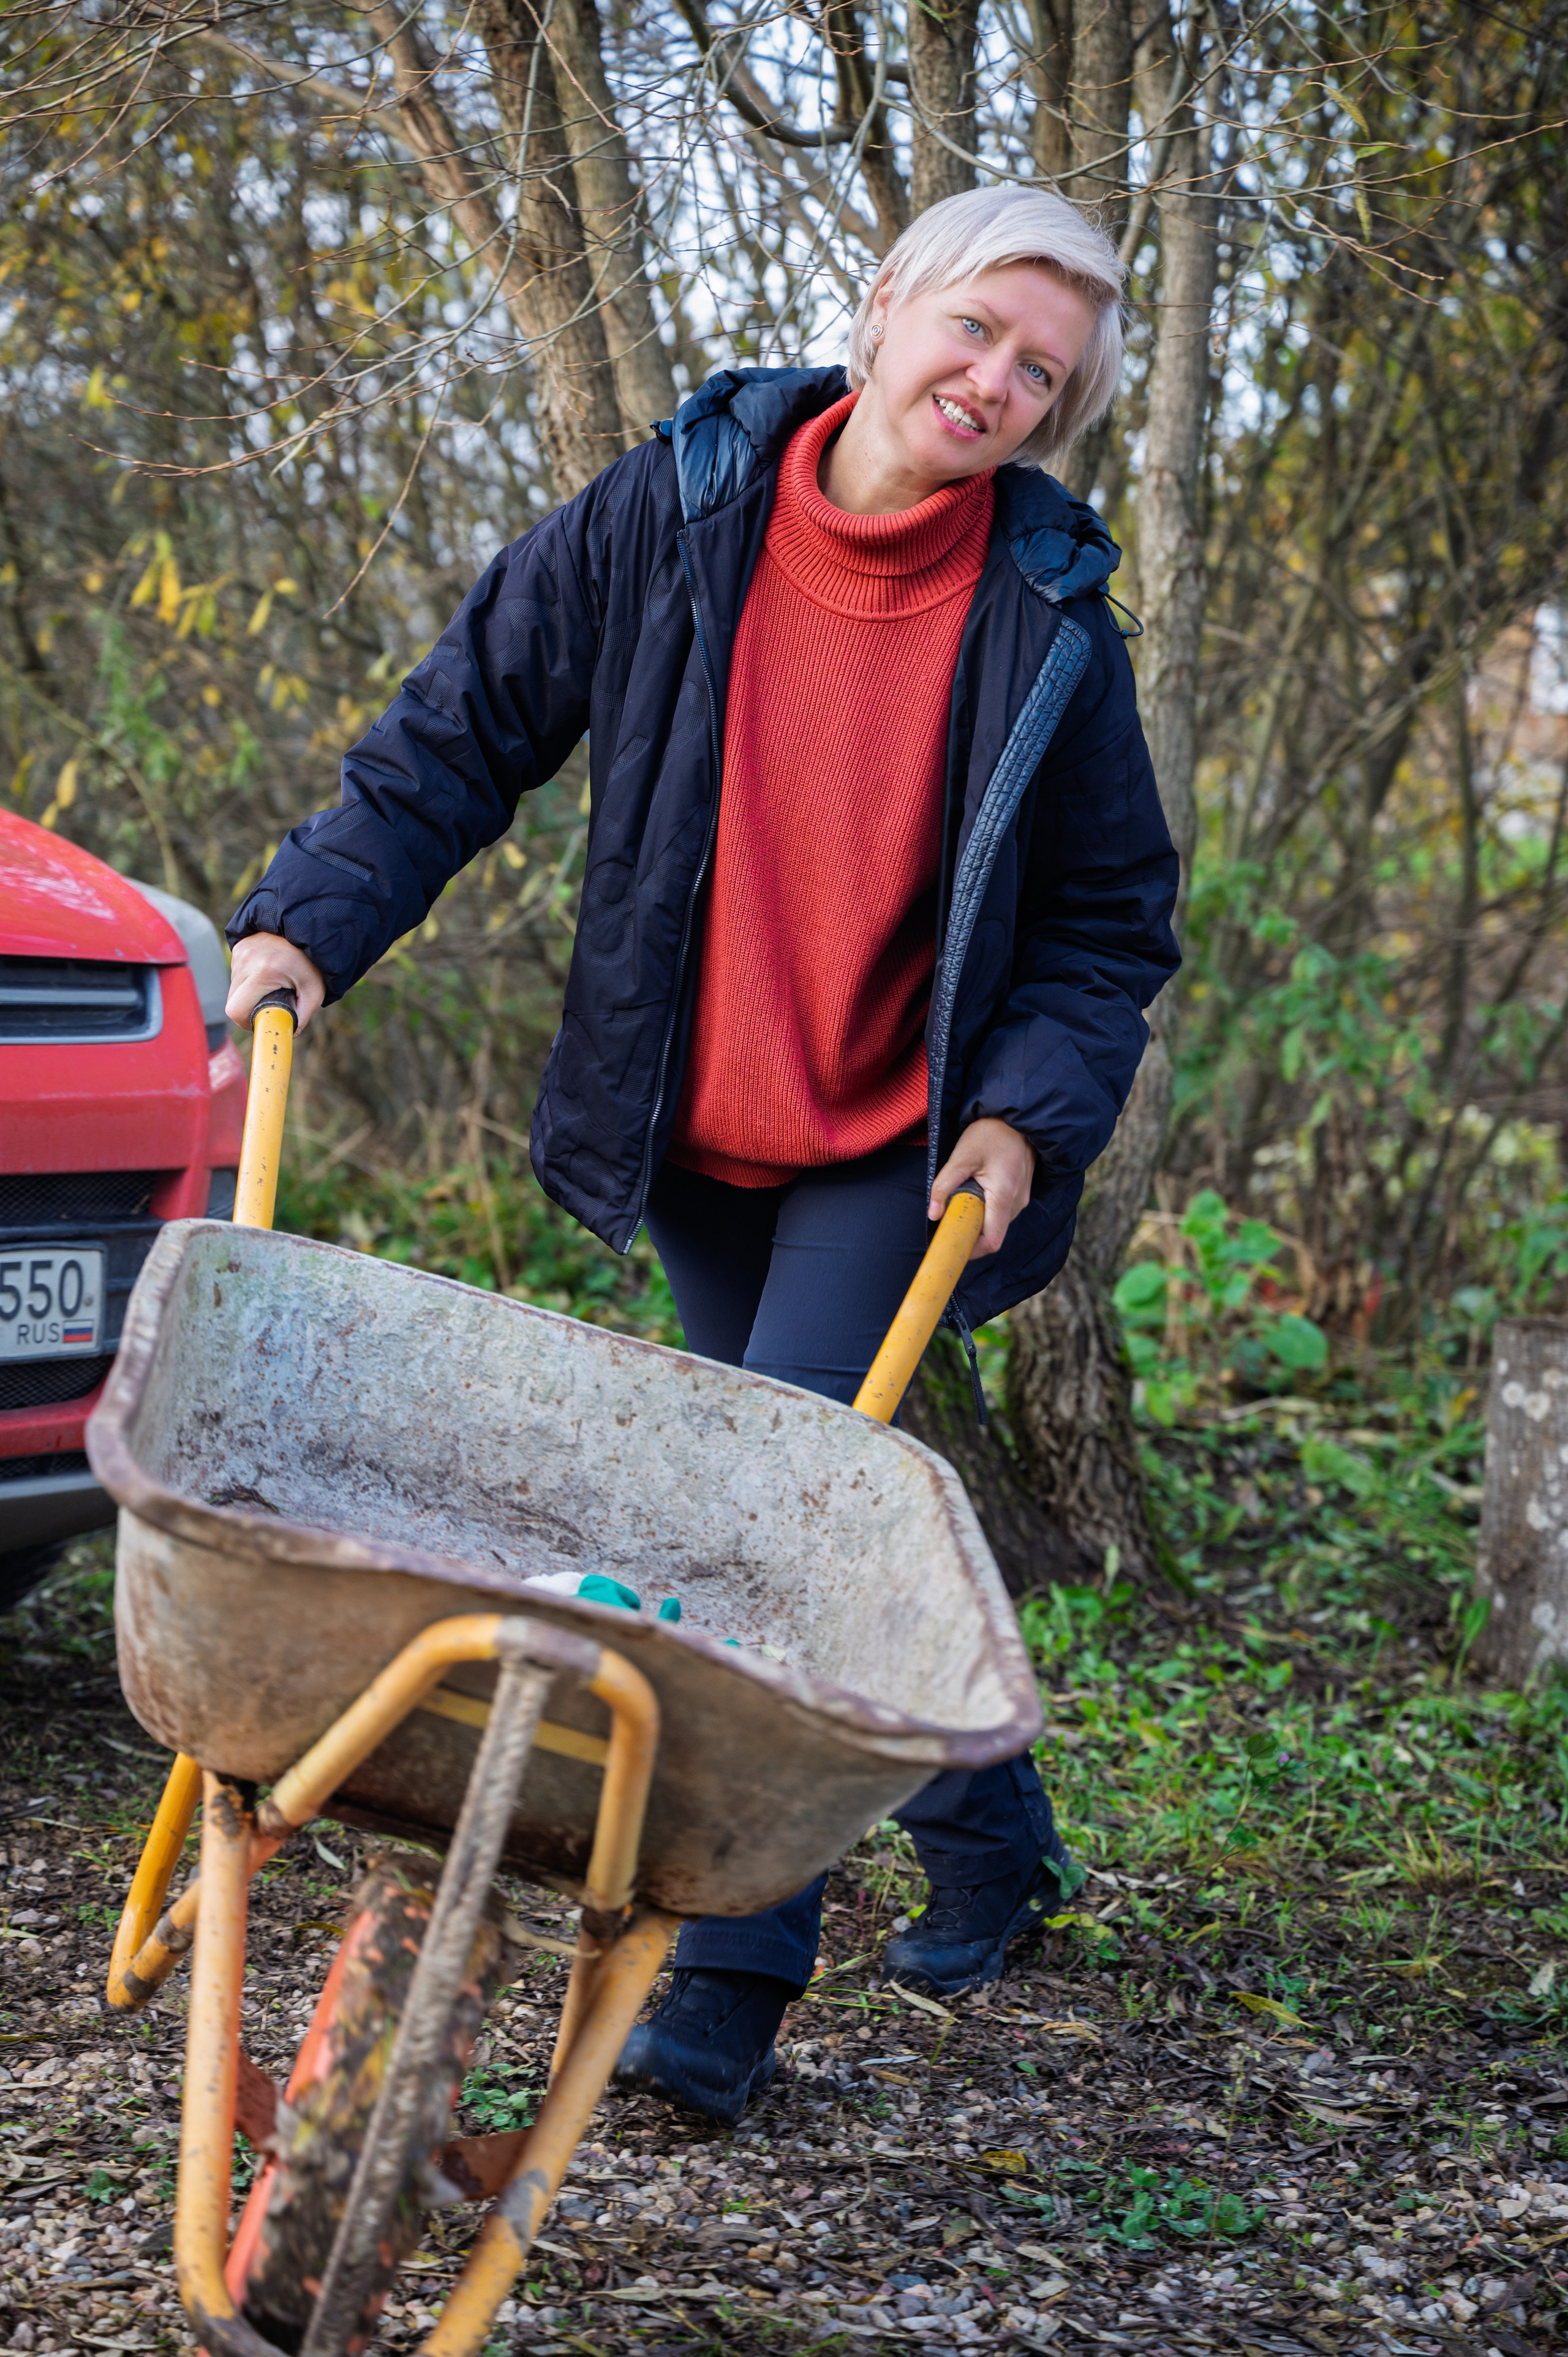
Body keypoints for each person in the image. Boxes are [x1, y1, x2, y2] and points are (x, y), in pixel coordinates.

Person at [225, 183, 1180, 2125]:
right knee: (814, 1502)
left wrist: (1023, 1111)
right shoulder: (676, 510)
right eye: (976, 329)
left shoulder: (1050, 626)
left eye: (1042, 374)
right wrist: (311, 923)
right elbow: (464, 730)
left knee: (762, 1544)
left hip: (892, 1149)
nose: (995, 382)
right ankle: (998, 1845)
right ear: (886, 306)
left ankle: (720, 1987)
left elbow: (1107, 927)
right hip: (692, 1118)